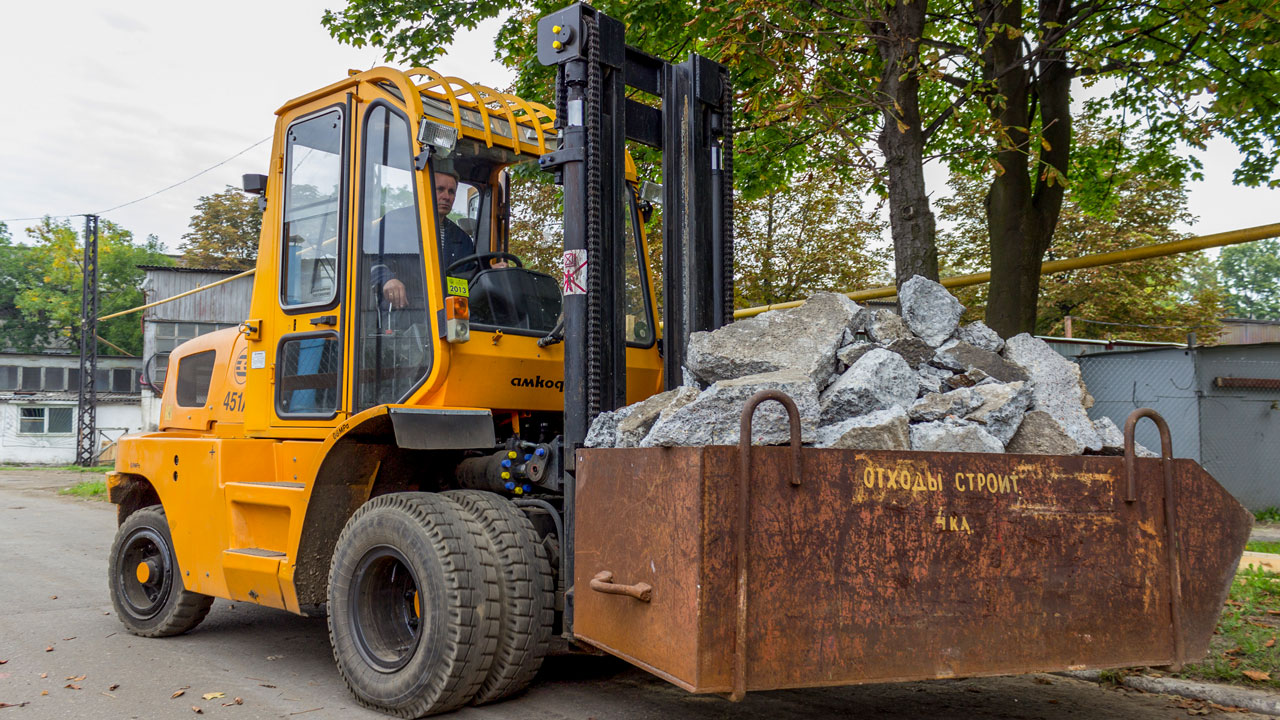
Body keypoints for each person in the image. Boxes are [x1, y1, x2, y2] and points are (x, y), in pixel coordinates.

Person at [377, 168, 475, 309]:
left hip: (448, 316)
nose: (446, 196)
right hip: (401, 312)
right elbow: (372, 261)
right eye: (440, 189)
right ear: (425, 190)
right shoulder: (394, 222)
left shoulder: (463, 240)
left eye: (451, 192)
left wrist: (490, 272)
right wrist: (388, 279)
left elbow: (470, 278)